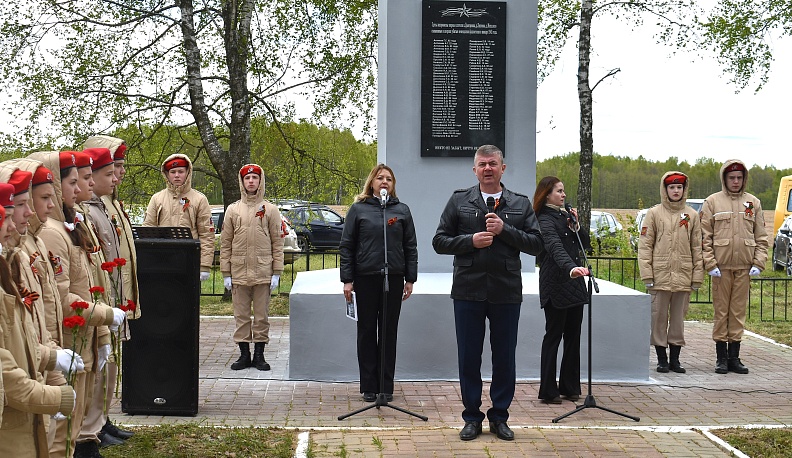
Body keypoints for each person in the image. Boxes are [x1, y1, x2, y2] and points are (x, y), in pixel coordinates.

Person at [432, 145, 543, 442]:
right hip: (468, 290)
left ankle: (499, 417)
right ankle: (471, 417)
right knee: (469, 357)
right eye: (482, 164)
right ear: (475, 170)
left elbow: (536, 244)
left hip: (506, 291)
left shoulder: (519, 204)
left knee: (504, 357)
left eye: (493, 163)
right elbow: (439, 241)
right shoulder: (459, 200)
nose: (488, 169)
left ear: (503, 168)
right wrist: (470, 241)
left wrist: (505, 230)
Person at [30, 150, 125, 458]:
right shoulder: (54, 233)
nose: (76, 189)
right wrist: (106, 315)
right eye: (71, 182)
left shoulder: (70, 224)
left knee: (70, 431)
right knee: (60, 437)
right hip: (67, 340)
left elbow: (88, 280)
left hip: (81, 337)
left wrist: (100, 333)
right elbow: (61, 298)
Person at [0, 179, 77, 458]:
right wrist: (56, 395)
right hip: (14, 412)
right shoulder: (17, 255)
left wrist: (49, 355)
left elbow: (26, 332)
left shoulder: (11, 258)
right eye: (7, 214)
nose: (28, 213)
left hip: (30, 388)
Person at [339, 164, 418, 402]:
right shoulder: (358, 209)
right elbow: (347, 246)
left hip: (392, 279)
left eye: (389, 179)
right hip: (365, 278)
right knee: (366, 332)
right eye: (380, 178)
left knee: (388, 332)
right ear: (372, 182)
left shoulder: (401, 210)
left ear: (393, 185)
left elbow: (410, 246)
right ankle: (369, 386)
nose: (384, 182)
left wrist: (410, 278)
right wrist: (347, 280)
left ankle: (386, 386)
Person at [84, 136, 140, 443]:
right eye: (112, 169)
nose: (118, 175)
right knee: (100, 364)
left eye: (119, 168)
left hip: (116, 294)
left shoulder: (110, 203)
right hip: (103, 296)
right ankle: (94, 423)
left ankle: (102, 419)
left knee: (110, 361)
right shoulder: (92, 207)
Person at [700, 160, 769, 374]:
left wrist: (759, 262)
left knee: (738, 313)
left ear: (744, 178)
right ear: (724, 179)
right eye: (732, 177)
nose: (736, 181)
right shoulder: (712, 202)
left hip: (744, 267)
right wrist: (710, 264)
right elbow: (705, 237)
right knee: (721, 313)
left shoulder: (753, 203)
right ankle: (721, 358)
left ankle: (734, 358)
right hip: (721, 268)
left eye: (739, 177)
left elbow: (761, 237)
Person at [220, 164, 284, 371]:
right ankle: (244, 355)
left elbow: (277, 241)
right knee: (241, 316)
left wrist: (277, 271)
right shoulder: (233, 209)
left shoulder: (270, 210)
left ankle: (259, 355)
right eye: (247, 178)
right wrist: (226, 272)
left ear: (260, 181)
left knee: (261, 315)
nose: (251, 182)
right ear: (242, 182)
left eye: (255, 178)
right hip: (239, 272)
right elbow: (225, 242)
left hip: (263, 272)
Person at [638, 172, 704, 374]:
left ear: (684, 189)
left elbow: (697, 247)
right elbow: (645, 245)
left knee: (677, 319)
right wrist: (647, 274)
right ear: (665, 189)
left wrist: (697, 276)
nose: (676, 191)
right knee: (658, 318)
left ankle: (675, 359)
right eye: (672, 187)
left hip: (683, 275)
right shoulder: (654, 213)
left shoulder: (692, 215)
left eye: (679, 187)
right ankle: (661, 359)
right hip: (659, 276)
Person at [533, 176, 590, 404]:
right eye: (559, 191)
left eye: (564, 191)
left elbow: (584, 244)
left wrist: (577, 226)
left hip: (574, 284)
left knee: (573, 337)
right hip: (556, 283)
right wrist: (571, 268)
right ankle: (548, 390)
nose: (563, 195)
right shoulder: (544, 219)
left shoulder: (565, 216)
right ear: (547, 194)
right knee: (554, 336)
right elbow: (554, 247)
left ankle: (570, 386)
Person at [143, 154, 214, 281]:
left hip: (189, 259)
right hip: (161, 260)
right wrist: (148, 258)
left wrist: (204, 265)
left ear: (188, 172)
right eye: (173, 172)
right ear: (166, 174)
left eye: (181, 171)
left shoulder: (199, 199)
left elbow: (206, 234)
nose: (177, 175)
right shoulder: (157, 199)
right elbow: (148, 230)